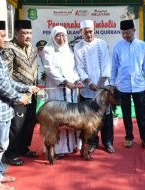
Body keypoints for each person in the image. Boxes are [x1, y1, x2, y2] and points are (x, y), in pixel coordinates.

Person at [0, 20, 38, 190]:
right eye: (2, 36)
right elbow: (2, 86)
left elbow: (8, 81)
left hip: (1, 108)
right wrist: (20, 98)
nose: (5, 39)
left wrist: (27, 87)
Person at [111, 19, 145, 151]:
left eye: (128, 32)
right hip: (123, 86)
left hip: (139, 86)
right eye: (124, 33)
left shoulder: (142, 45)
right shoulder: (118, 46)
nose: (126, 35)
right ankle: (129, 137)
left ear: (134, 31)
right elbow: (114, 67)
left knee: (141, 114)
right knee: (126, 114)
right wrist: (111, 84)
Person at [74, 20, 116, 153]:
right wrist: (89, 82)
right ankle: (92, 142)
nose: (89, 34)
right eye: (86, 32)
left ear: (94, 30)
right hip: (88, 88)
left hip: (103, 87)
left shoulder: (102, 44)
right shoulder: (77, 47)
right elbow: (79, 67)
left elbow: (107, 63)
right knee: (89, 117)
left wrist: (102, 80)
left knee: (106, 116)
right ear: (81, 32)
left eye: (91, 31)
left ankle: (108, 142)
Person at [42, 26, 84, 158]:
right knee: (57, 119)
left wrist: (77, 80)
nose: (61, 38)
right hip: (57, 91)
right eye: (58, 36)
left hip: (70, 91)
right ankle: (58, 150)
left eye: (64, 35)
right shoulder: (48, 50)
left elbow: (74, 69)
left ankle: (70, 146)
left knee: (70, 119)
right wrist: (65, 82)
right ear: (53, 37)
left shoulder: (69, 50)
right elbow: (50, 70)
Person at [2, 20, 38, 166]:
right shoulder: (9, 48)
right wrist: (16, 94)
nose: (28, 36)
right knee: (16, 126)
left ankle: (23, 148)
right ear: (16, 33)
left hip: (32, 93)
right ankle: (10, 154)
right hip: (18, 95)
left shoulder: (31, 48)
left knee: (29, 123)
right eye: (24, 33)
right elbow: (6, 76)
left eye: (29, 33)